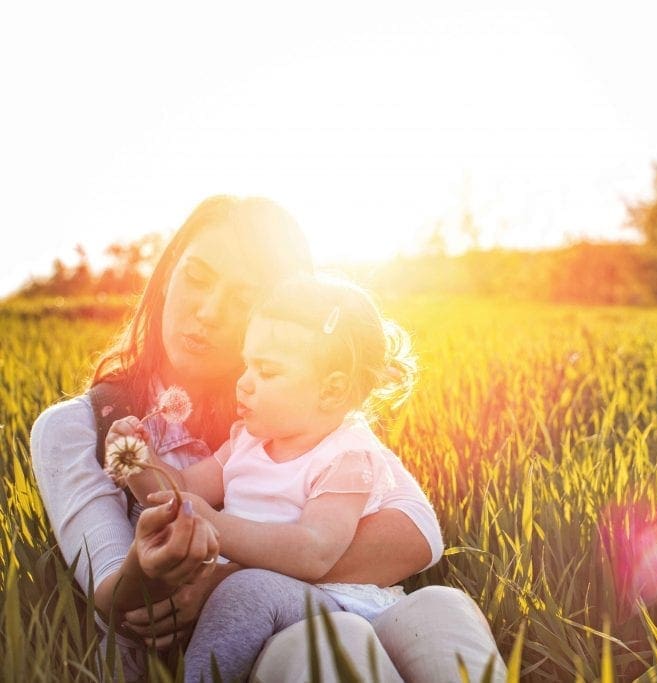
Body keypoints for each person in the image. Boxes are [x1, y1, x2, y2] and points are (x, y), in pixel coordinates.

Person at [30, 195, 505, 681]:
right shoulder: (95, 424)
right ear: (167, 273)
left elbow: (418, 535)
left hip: (340, 607)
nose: (211, 312)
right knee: (337, 642)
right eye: (197, 277)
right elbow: (117, 580)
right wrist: (137, 467)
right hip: (282, 642)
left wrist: (231, 575)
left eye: (243, 298)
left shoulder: (301, 420)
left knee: (442, 608)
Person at [109, 275, 436, 681]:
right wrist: (137, 461)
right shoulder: (246, 442)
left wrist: (213, 523)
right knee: (240, 596)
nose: (243, 382)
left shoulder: (347, 457)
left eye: (267, 371)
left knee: (244, 592)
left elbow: (315, 551)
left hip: (325, 601)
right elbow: (183, 493)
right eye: (247, 363)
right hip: (252, 604)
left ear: (331, 392)